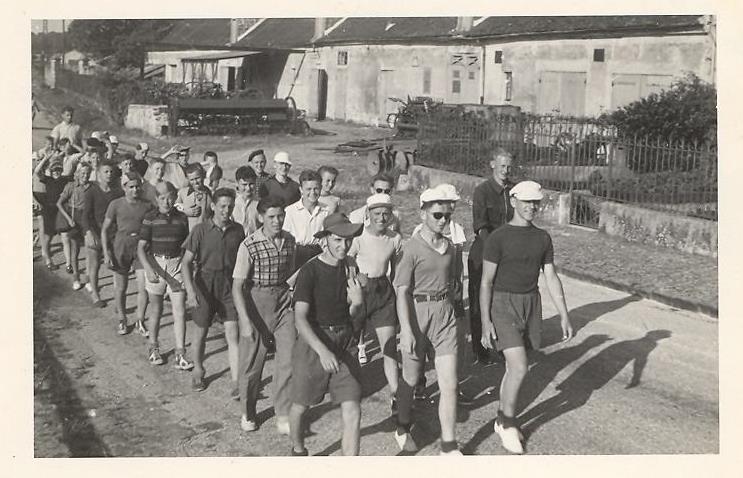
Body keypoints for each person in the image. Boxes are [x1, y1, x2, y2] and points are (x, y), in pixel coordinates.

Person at [479, 180, 574, 454]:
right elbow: (486, 282)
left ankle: (501, 417)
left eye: (536, 202)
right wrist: (485, 323)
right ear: (513, 202)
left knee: (514, 367)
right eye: (527, 202)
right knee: (519, 366)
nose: (533, 207)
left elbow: (551, 276)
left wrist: (564, 315)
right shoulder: (498, 238)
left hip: (531, 304)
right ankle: (508, 423)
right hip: (503, 304)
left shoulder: (543, 238)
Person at [392, 186, 463, 455]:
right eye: (437, 215)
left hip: (444, 316)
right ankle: (402, 424)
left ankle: (449, 444)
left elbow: (454, 282)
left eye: (447, 215)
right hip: (416, 314)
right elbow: (401, 291)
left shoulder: (452, 248)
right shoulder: (410, 249)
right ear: (423, 214)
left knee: (450, 383)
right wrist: (407, 330)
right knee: (410, 379)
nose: (443, 220)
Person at [289, 213, 364, 456]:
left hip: (344, 343)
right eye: (337, 240)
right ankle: (298, 449)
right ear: (325, 240)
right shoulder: (310, 271)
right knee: (301, 406)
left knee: (353, 408)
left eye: (348, 240)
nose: (344, 246)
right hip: (314, 343)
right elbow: (299, 318)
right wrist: (322, 351)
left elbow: (351, 314)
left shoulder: (351, 266)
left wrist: (358, 303)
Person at [232, 195, 297, 434]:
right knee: (252, 365)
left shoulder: (289, 240)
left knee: (288, 359)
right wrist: (246, 321)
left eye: (280, 216)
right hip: (256, 303)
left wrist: (289, 293)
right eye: (271, 217)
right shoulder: (249, 244)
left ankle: (282, 412)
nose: (277, 221)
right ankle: (248, 412)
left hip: (282, 302)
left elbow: (289, 272)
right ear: (261, 217)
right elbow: (237, 286)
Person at [410, 184, 472, 404]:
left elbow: (458, 267)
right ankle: (417, 384)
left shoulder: (456, 231)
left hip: (448, 295)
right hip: (426, 300)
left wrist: (458, 294)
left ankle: (452, 388)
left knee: (453, 344)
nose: (450, 208)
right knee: (421, 346)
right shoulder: (420, 234)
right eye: (447, 203)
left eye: (453, 204)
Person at [180, 188, 245, 391]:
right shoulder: (200, 230)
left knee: (232, 333)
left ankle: (236, 381)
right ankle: (198, 370)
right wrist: (191, 292)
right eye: (223, 206)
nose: (227, 210)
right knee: (201, 332)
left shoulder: (238, 230)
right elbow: (185, 263)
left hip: (229, 285)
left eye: (230, 206)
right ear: (213, 206)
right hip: (205, 284)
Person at [347, 193, 402, 411]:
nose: (381, 218)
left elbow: (397, 271)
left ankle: (396, 394)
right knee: (350, 343)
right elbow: (348, 261)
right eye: (377, 213)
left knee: (389, 347)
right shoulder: (358, 236)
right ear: (368, 214)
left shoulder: (395, 238)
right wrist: (355, 277)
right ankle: (349, 388)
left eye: (385, 214)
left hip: (383, 292)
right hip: (360, 291)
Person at [137, 181, 194, 371]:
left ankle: (181, 353)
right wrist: (147, 268)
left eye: (170, 197)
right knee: (156, 310)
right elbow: (141, 248)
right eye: (162, 198)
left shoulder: (182, 219)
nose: (166, 201)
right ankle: (153, 348)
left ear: (175, 196)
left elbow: (186, 245)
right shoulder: (150, 218)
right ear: (156, 199)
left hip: (176, 265)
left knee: (180, 311)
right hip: (156, 264)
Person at [469, 148, 514, 365]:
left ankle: (504, 344)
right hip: (484, 253)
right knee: (480, 302)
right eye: (502, 165)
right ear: (492, 164)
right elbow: (480, 227)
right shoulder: (482, 191)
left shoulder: (513, 191)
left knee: (504, 301)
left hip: (507, 256)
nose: (506, 170)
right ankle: (480, 349)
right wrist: (495, 251)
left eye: (509, 166)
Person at [101, 171, 154, 336]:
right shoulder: (115, 205)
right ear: (124, 188)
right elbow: (104, 230)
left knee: (143, 287)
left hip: (140, 249)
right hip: (121, 247)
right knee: (121, 288)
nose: (135, 190)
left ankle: (140, 320)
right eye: (131, 187)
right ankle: (122, 319)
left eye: (137, 186)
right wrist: (106, 253)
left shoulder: (148, 205)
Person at [81, 160, 124, 308]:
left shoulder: (118, 191)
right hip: (95, 231)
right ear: (98, 173)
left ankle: (118, 297)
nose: (109, 174)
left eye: (111, 171)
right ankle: (95, 295)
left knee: (115, 263)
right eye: (105, 171)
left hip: (113, 232)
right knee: (94, 265)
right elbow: (85, 215)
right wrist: (88, 232)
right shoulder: (91, 191)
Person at [56, 163, 93, 291]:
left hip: (87, 218)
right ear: (76, 174)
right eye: (82, 173)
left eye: (87, 173)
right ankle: (76, 278)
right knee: (75, 250)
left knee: (89, 250)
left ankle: (88, 279)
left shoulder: (92, 187)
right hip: (74, 219)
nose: (85, 175)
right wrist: (69, 219)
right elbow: (59, 203)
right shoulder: (71, 186)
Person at [282, 170, 330, 267]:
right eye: (308, 189)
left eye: (316, 188)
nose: (312, 192)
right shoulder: (290, 211)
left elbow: (328, 238)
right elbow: (285, 238)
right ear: (301, 189)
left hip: (319, 254)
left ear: (321, 188)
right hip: (297, 256)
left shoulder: (326, 211)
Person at [34, 158, 70, 270]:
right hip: (49, 210)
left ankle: (69, 263)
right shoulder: (47, 179)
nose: (56, 171)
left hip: (60, 210)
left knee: (65, 236)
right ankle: (48, 260)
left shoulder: (65, 179)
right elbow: (36, 171)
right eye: (54, 169)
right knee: (48, 236)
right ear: (50, 170)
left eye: (59, 169)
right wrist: (46, 158)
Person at [176, 163, 212, 230]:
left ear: (203, 175)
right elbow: (174, 208)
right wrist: (185, 211)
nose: (195, 182)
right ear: (188, 179)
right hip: (188, 232)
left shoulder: (209, 193)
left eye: (197, 178)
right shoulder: (183, 193)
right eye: (192, 180)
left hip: (205, 231)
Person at [232, 166, 260, 235]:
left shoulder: (260, 203)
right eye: (244, 185)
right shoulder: (232, 202)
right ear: (237, 183)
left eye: (251, 184)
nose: (248, 188)